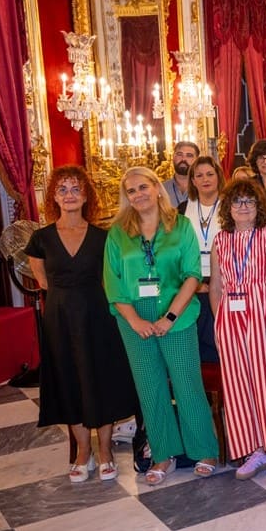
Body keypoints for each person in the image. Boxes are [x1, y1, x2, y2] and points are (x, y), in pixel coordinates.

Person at [104, 166, 218, 485]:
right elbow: (112, 283)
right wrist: (135, 320)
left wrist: (169, 317)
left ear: (157, 188)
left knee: (187, 385)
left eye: (143, 187)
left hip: (176, 316)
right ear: (126, 197)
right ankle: (162, 454)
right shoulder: (118, 233)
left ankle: (204, 450)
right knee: (150, 389)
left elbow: (193, 274)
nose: (138, 194)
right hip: (133, 321)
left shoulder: (180, 226)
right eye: (131, 191)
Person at [27, 166, 139, 482]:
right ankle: (82, 452)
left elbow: (112, 279)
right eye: (62, 189)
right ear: (54, 197)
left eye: (75, 188)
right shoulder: (41, 238)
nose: (69, 195)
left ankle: (104, 451)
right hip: (59, 318)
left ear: (86, 194)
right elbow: (42, 280)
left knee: (99, 380)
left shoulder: (104, 237)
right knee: (68, 382)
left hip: (97, 315)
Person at [209, 179, 266, 484]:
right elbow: (216, 287)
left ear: (259, 206)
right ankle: (258, 447)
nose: (243, 207)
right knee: (241, 384)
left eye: (249, 201)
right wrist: (220, 325)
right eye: (237, 202)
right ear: (228, 208)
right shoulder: (220, 240)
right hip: (232, 318)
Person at [179, 156, 224, 363]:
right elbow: (176, 250)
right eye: (199, 175)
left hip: (224, 282)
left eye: (210, 174)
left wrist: (216, 283)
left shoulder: (230, 206)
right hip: (191, 282)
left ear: (218, 177)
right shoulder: (182, 209)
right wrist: (195, 283)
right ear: (193, 181)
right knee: (195, 347)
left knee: (219, 343)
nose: (205, 179)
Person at [164, 141, 199, 207]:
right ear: (173, 157)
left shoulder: (203, 187)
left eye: (189, 155)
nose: (183, 159)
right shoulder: (162, 189)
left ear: (197, 160)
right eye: (179, 154)